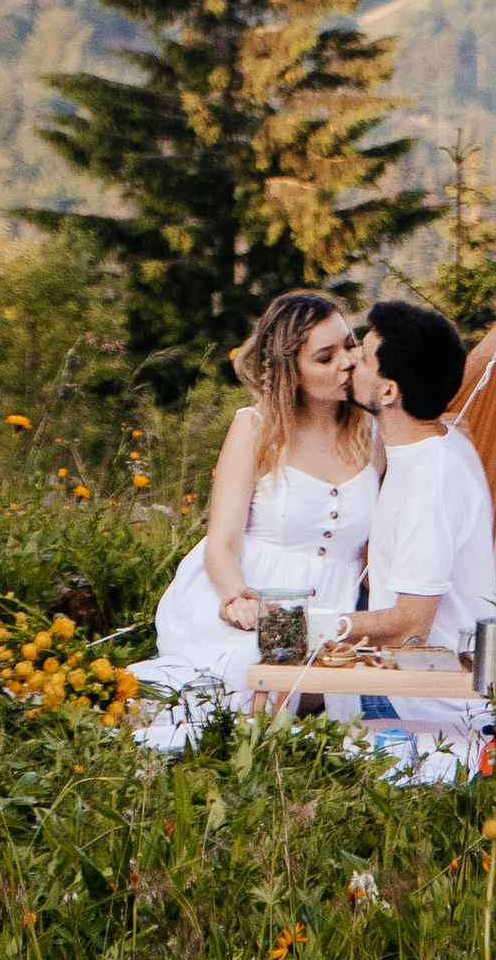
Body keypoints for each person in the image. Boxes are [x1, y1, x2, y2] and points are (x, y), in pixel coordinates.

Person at [144, 289, 380, 709]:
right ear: (293, 370)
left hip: (332, 611)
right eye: (324, 357)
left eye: (350, 344)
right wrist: (238, 598)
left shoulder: (375, 433)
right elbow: (222, 542)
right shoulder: (256, 427)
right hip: (248, 595)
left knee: (312, 695)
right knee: (238, 690)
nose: (346, 361)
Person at [324, 297, 496, 675]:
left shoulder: (430, 483)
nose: (349, 361)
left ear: (389, 392)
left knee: (255, 690)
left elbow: (411, 625)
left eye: (364, 358)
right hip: (407, 675)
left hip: (422, 695)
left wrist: (319, 625)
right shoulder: (435, 442)